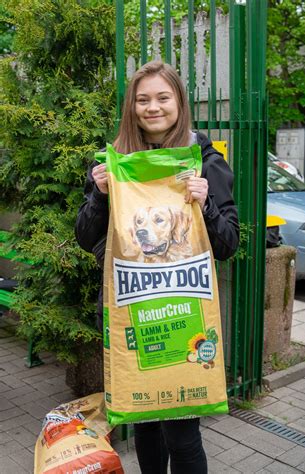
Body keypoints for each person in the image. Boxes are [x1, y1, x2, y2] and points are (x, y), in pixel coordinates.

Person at [75, 60, 239, 473]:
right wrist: (98, 194)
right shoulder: (113, 161)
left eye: (162, 97)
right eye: (142, 99)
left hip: (184, 316)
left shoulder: (205, 159)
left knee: (183, 436)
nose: (153, 107)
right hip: (131, 312)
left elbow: (227, 245)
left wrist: (207, 203)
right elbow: (85, 236)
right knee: (143, 424)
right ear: (131, 107)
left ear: (179, 102)